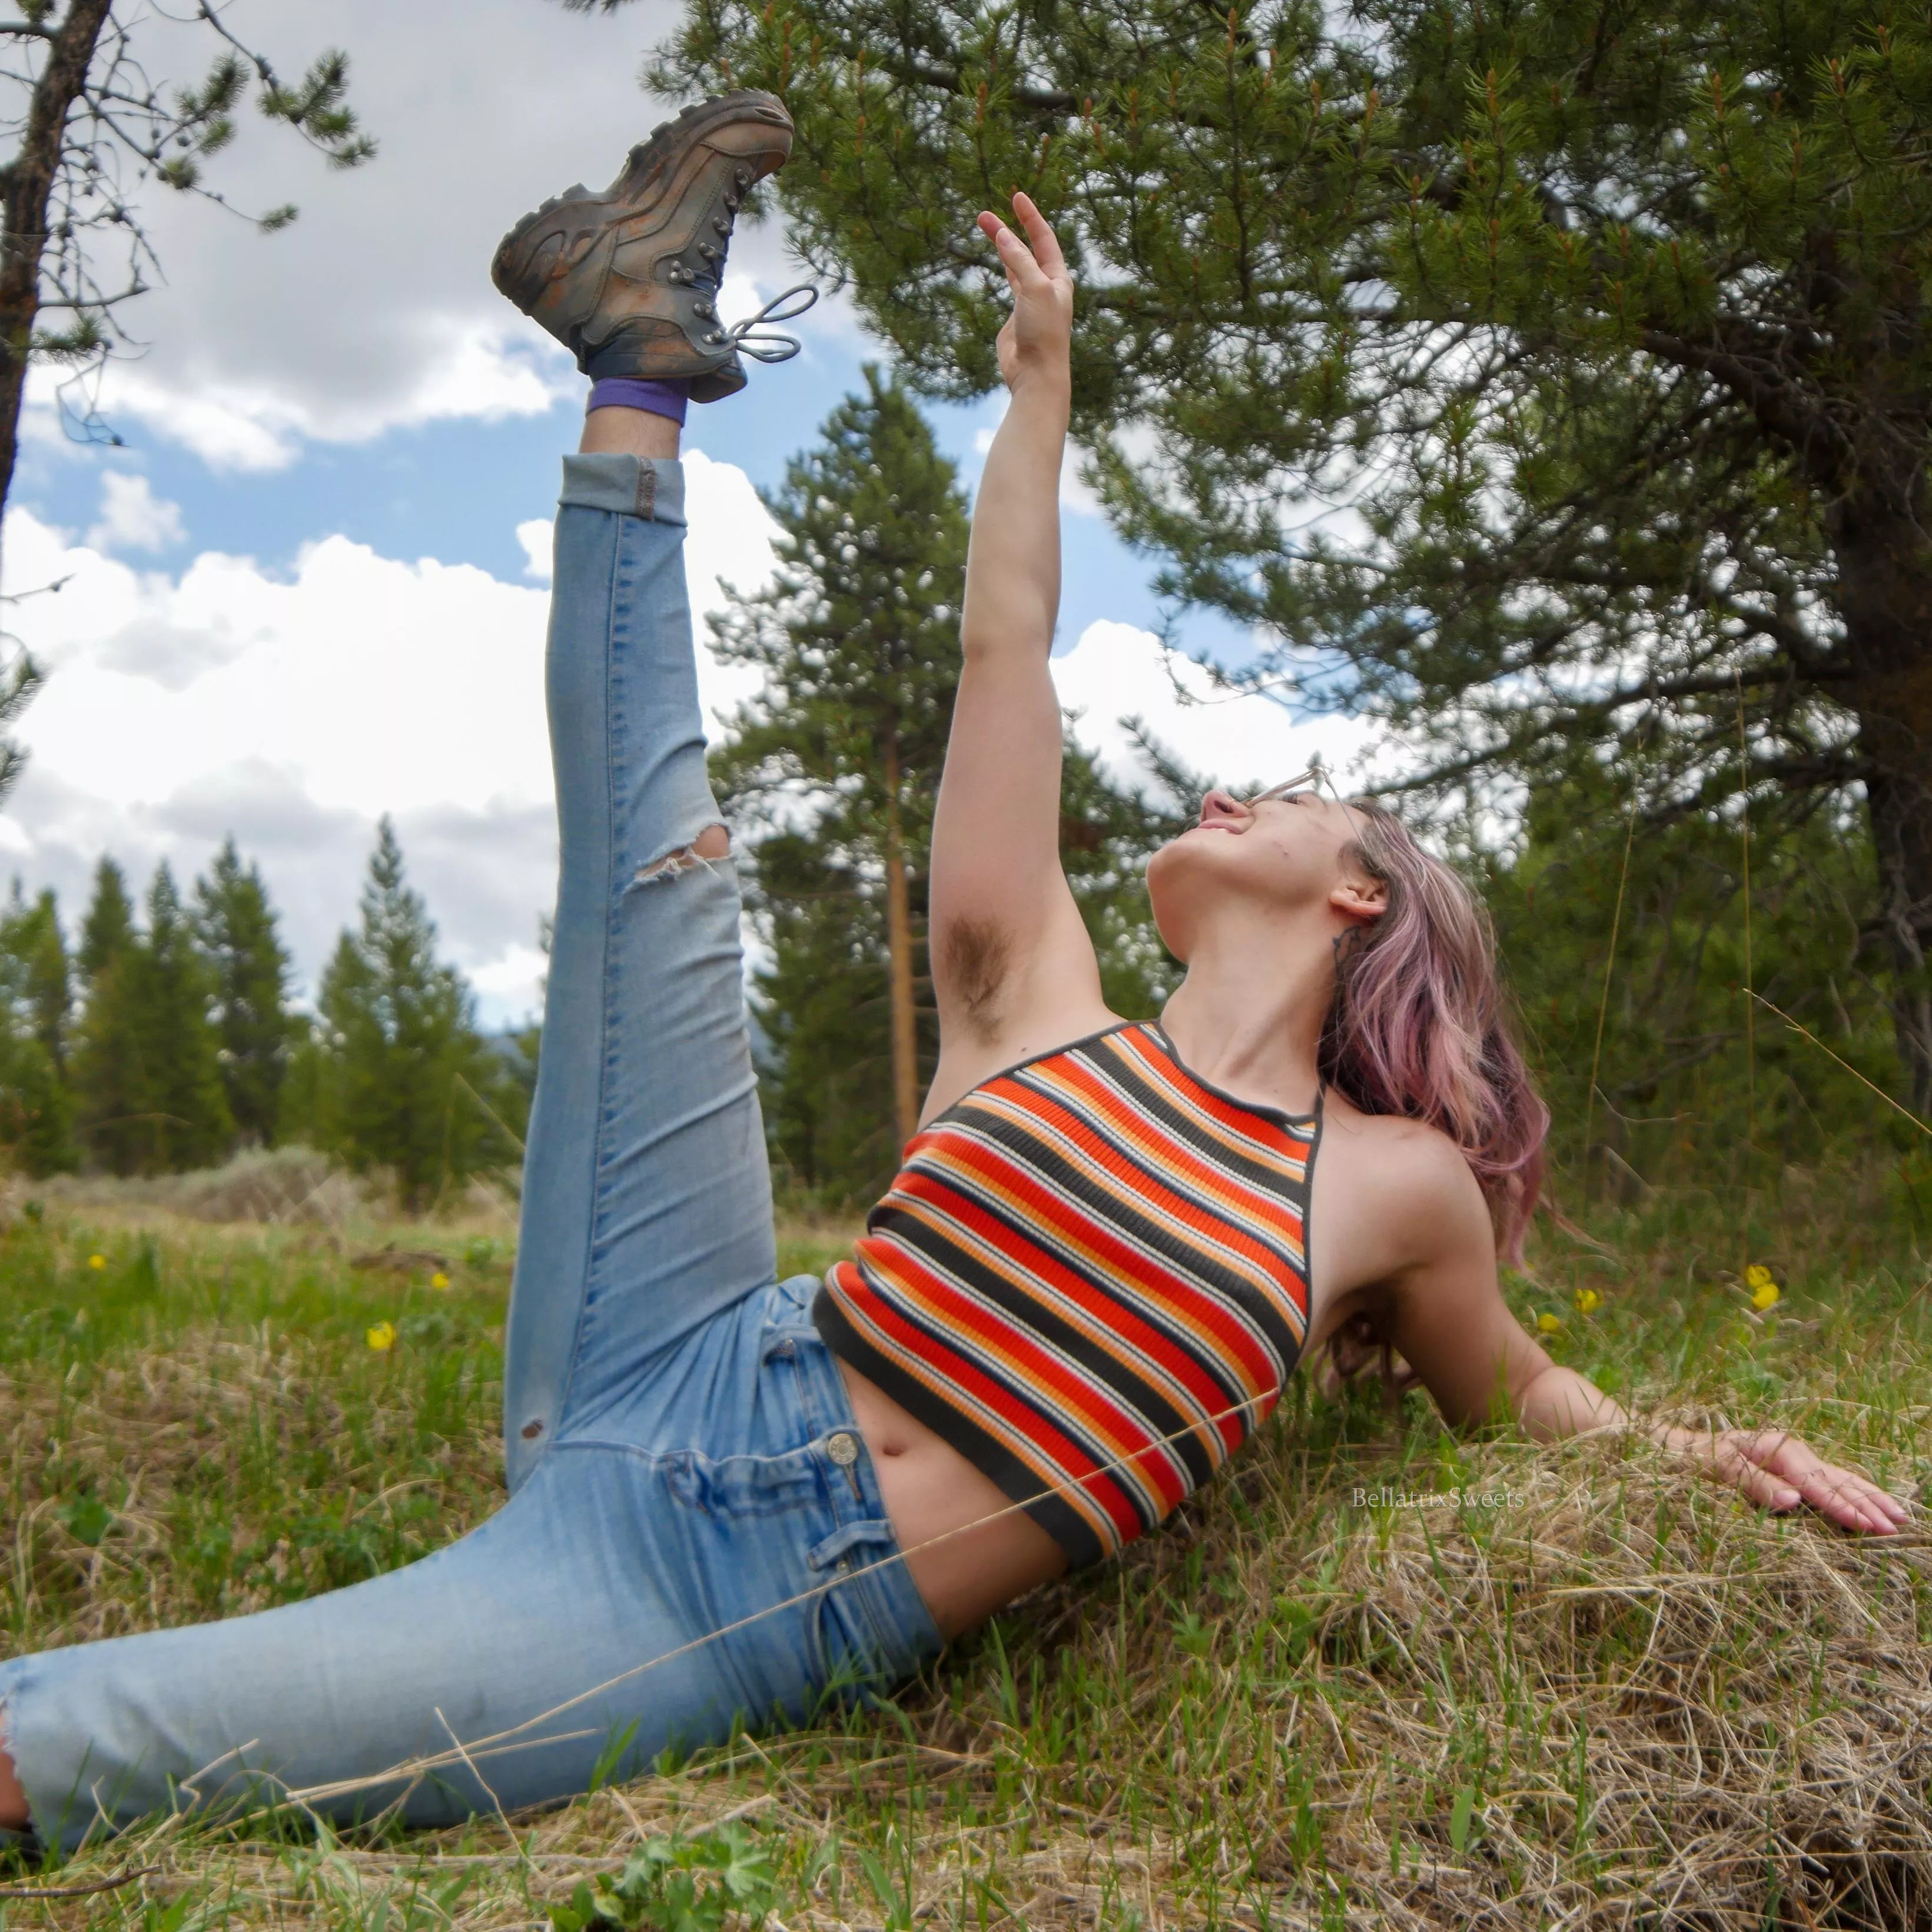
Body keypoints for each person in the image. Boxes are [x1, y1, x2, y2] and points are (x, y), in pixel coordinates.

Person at [0, 89, 1908, 1855]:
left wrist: (1718, 1458)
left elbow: (1530, 1399)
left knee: (85, 1752)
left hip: (701, 1590)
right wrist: (1041, 397)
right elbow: (1012, 650)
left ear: (1362, 904)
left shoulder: (1387, 1193)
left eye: (1301, 800)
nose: (1235, 789)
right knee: (661, 880)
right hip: (698, 1337)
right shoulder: (1034, 1000)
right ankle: (639, 356)